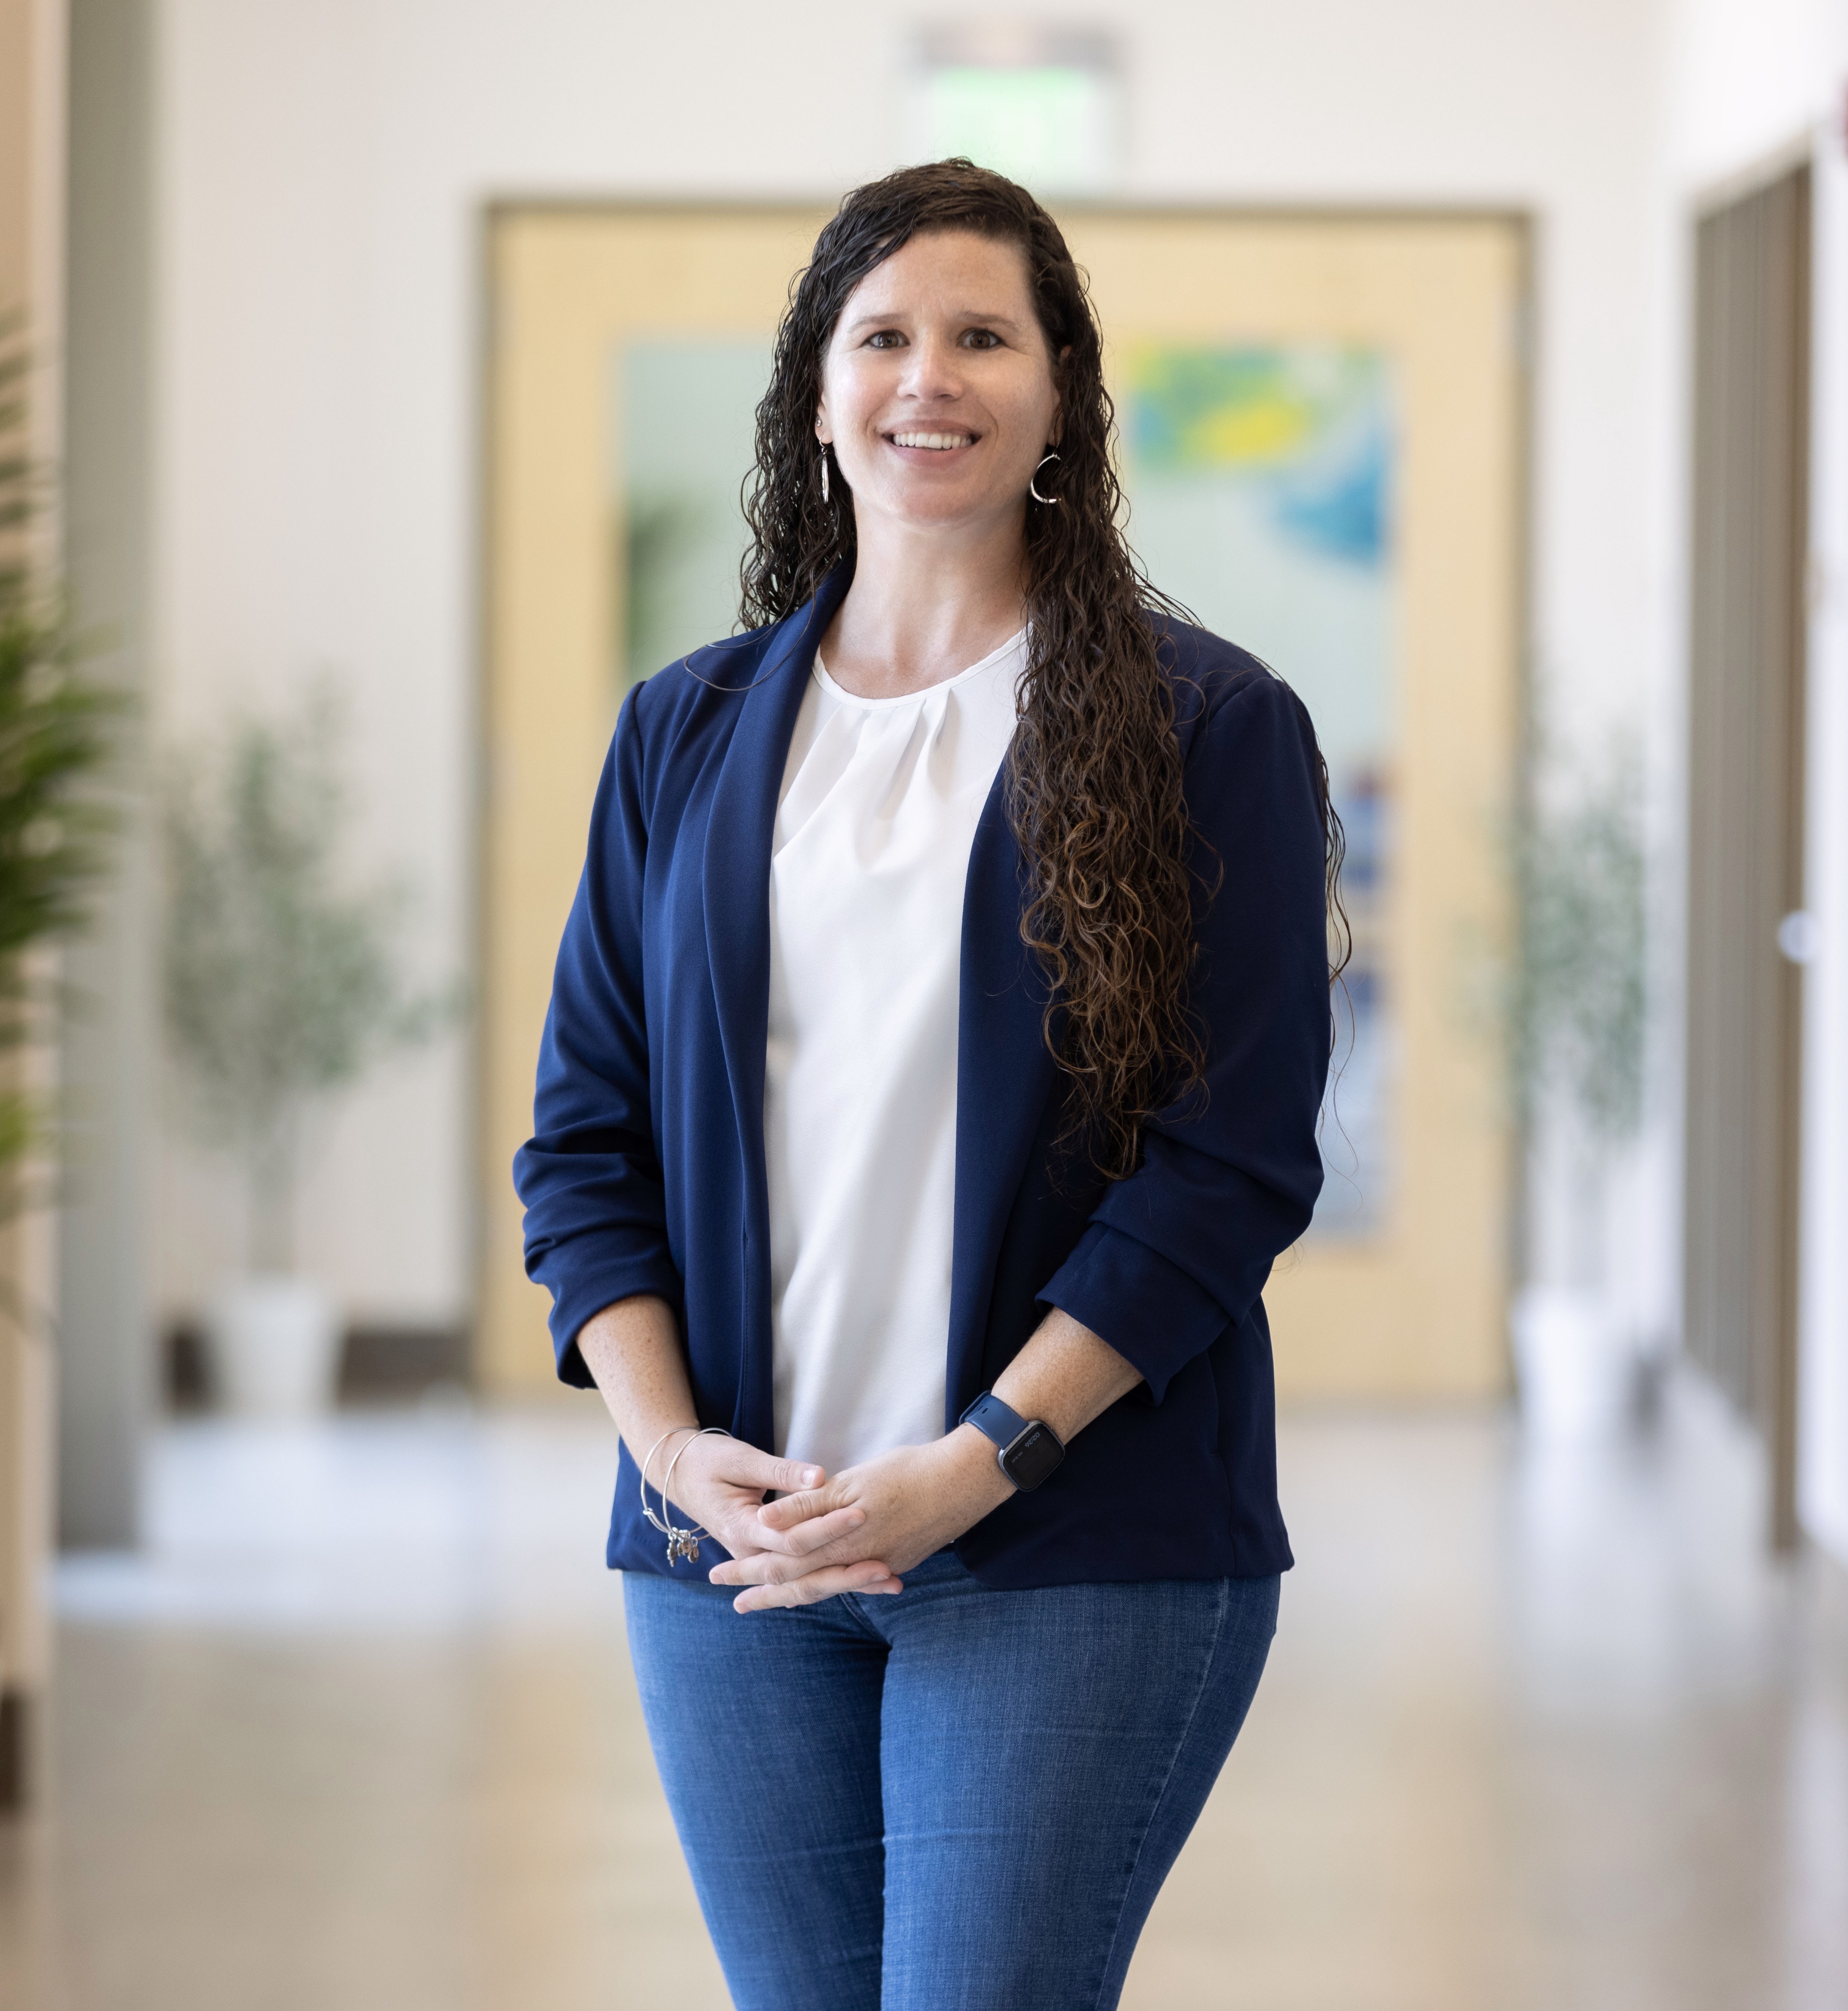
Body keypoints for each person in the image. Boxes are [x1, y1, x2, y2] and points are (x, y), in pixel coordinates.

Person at [513, 158, 1338, 2011]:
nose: (926, 377)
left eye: (982, 335)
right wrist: (667, 1460)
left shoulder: (1208, 729)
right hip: (734, 1552)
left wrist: (977, 1466)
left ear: (1061, 393)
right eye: (879, 336)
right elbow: (583, 1140)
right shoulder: (690, 730)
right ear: (815, 390)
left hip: (1071, 1546)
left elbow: (1226, 1170)